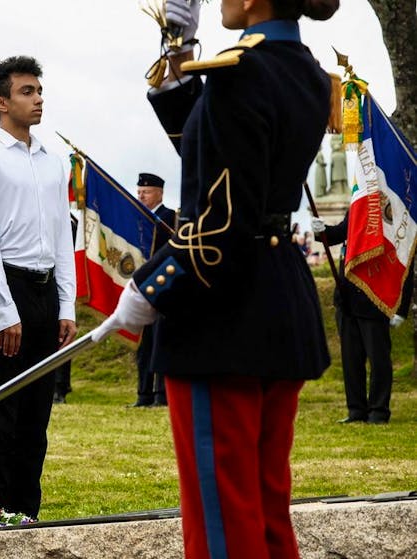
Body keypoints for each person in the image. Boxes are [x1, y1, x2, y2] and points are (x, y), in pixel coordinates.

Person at [93, 0, 339, 556]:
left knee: (223, 519)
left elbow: (217, 226)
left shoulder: (239, 72)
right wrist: (176, 52)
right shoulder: (303, 70)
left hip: (222, 314)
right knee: (265, 505)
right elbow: (214, 144)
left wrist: (148, 288)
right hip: (276, 299)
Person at [0, 55, 77, 519]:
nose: (39, 98)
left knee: (35, 414)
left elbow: (62, 236)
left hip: (46, 291)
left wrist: (66, 304)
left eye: (40, 90)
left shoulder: (54, 160)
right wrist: (4, 311)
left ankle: (27, 513)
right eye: (28, 91)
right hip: (4, 287)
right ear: (0, 102)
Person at [312, 212, 412, 424]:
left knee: (379, 360)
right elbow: (340, 233)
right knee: (351, 359)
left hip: (375, 299)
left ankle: (378, 410)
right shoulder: (358, 205)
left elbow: (405, 260)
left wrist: (401, 309)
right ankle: (356, 409)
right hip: (347, 298)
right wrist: (322, 231)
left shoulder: (391, 210)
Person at [130, 172, 176, 408]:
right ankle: (143, 393)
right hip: (141, 287)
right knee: (144, 343)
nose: (141, 196)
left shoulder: (169, 217)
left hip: (162, 287)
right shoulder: (138, 218)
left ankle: (160, 395)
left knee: (160, 341)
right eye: (138, 192)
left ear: (159, 193)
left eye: (145, 192)